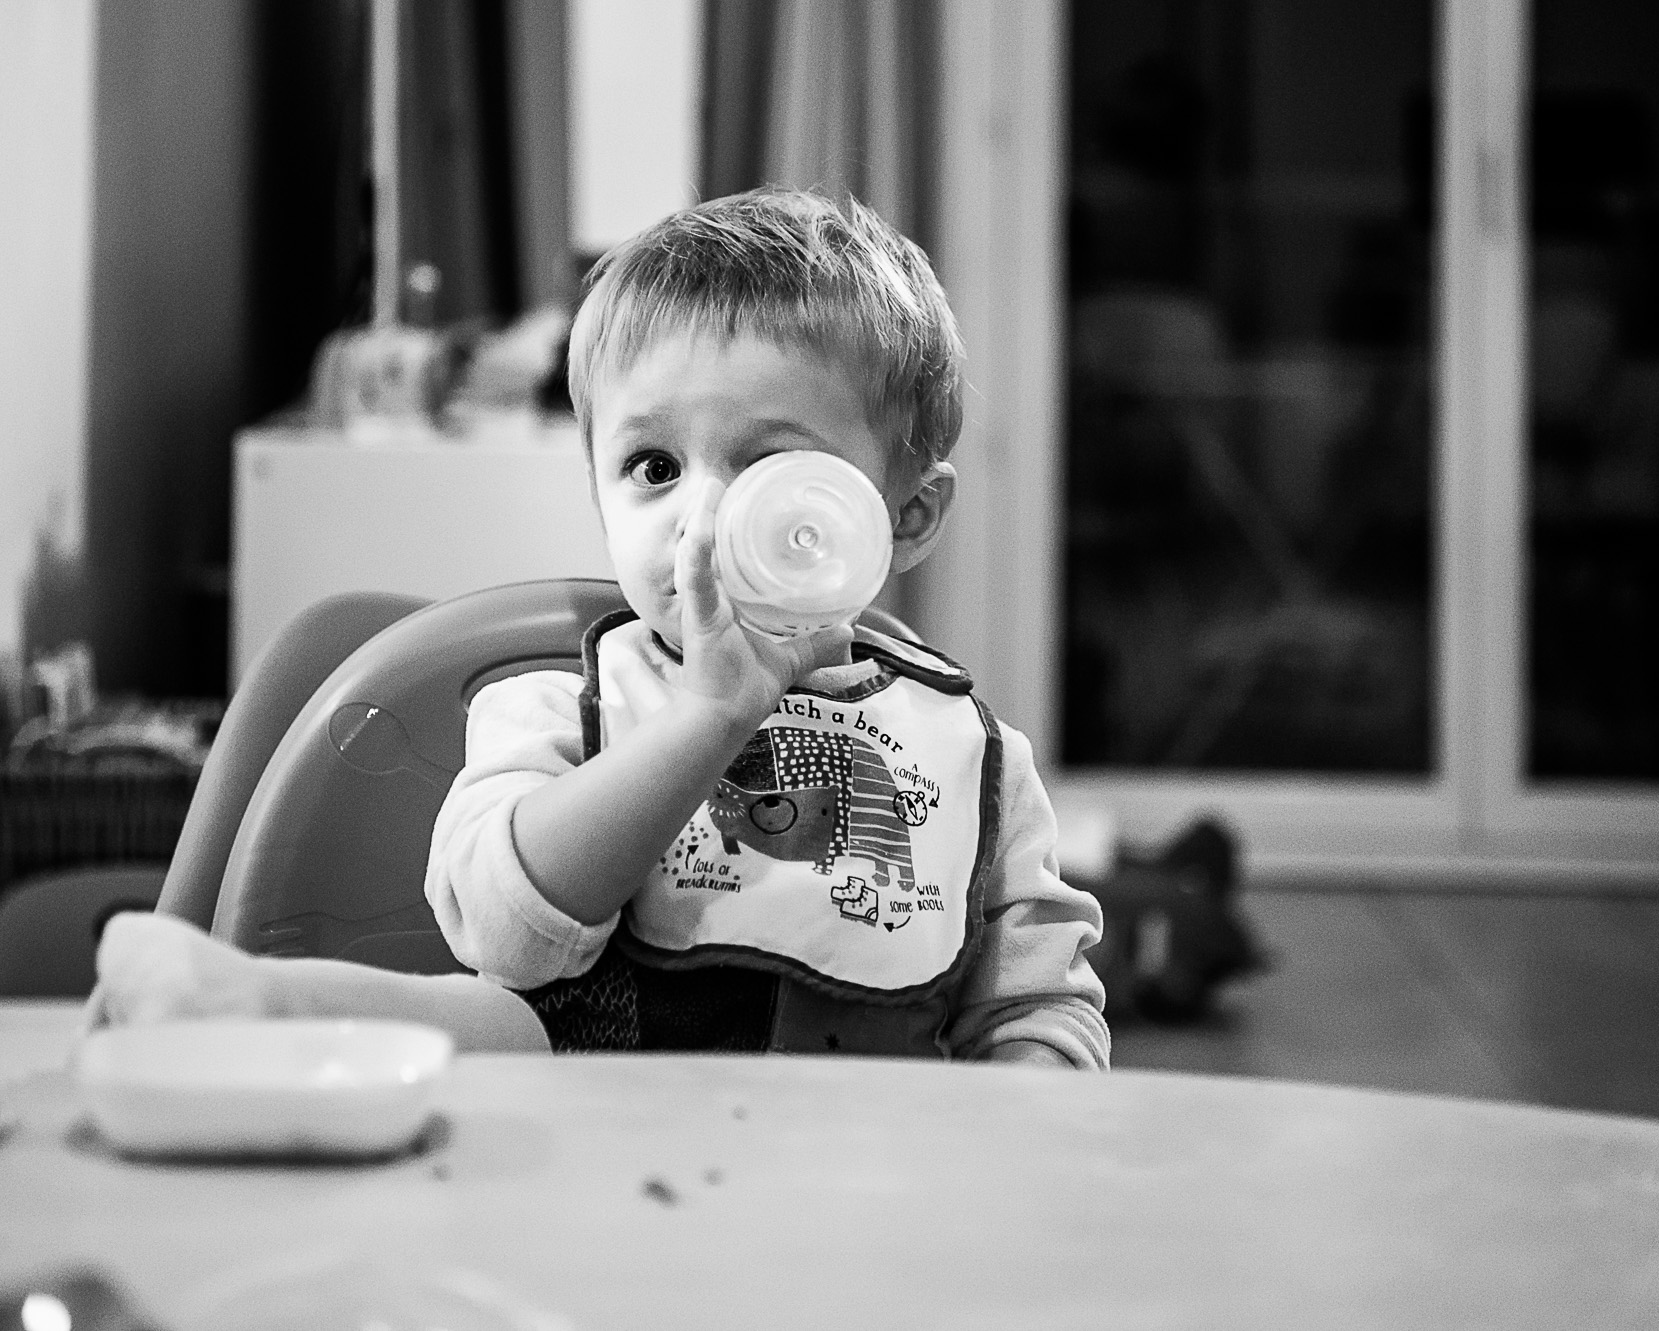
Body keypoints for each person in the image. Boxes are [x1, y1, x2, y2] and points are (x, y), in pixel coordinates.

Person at [88, 189, 1109, 1070]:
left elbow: (1039, 1008)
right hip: (585, 1133)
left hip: (860, 1174)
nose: (697, 517)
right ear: (598, 489)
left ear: (904, 514)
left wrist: (1016, 1099)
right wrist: (702, 720)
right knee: (491, 1021)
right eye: (653, 466)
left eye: (762, 464)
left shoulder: (974, 756)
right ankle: (255, 1011)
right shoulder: (557, 696)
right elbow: (503, 931)